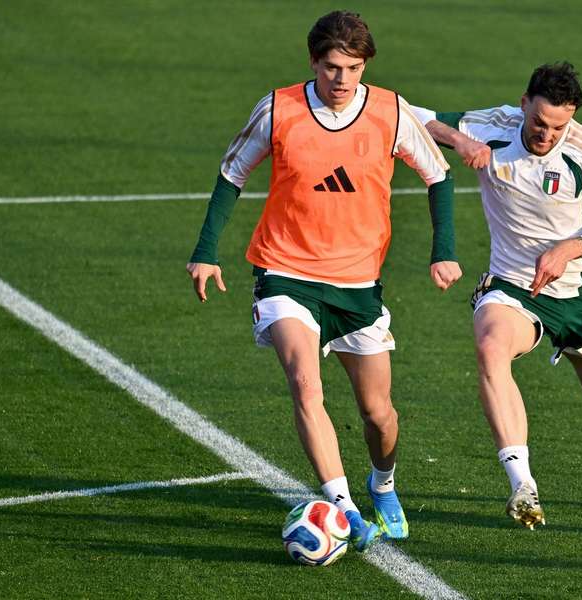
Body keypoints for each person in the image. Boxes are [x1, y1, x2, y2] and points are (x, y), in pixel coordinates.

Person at [186, 11, 461, 550]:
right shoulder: (278, 108)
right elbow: (231, 174)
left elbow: (438, 176)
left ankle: (382, 487)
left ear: (366, 66)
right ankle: (343, 509)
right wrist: (205, 251)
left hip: (359, 283)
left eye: (353, 68)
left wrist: (443, 251)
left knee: (379, 415)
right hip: (285, 270)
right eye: (332, 67)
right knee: (305, 384)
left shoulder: (391, 111)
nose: (342, 79)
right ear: (313, 61)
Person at [412, 62, 582, 529]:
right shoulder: (492, 125)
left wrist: (570, 248)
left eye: (559, 126)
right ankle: (522, 483)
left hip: (578, 290)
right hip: (513, 285)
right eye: (539, 122)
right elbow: (406, 116)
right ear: (523, 104)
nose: (547, 134)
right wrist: (459, 141)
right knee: (490, 347)